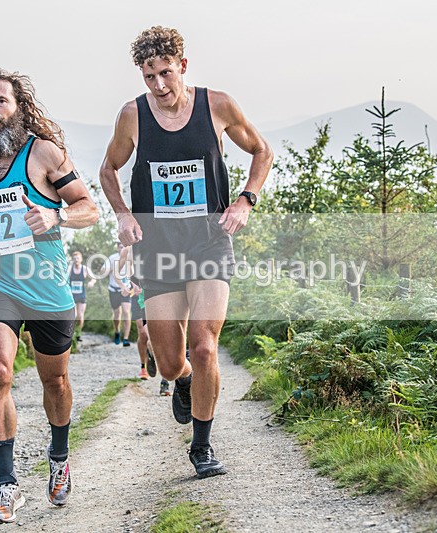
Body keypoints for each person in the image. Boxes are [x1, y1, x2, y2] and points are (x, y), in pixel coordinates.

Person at [99, 26, 273, 479]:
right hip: (157, 249)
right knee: (173, 359)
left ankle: (201, 445)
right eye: (149, 76)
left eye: (165, 73)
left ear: (183, 66)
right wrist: (122, 215)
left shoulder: (217, 105)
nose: (159, 85)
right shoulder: (133, 116)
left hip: (208, 242)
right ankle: (180, 382)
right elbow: (108, 169)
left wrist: (245, 201)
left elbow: (261, 151)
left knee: (204, 346)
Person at [0, 68, 98, 524]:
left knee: (55, 381)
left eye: (0, 102)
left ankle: (58, 457)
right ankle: (7, 486)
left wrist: (56, 218)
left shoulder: (45, 154)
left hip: (48, 288)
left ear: (18, 107)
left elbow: (88, 208)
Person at [120, 247, 171, 395]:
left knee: (165, 339)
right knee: (148, 338)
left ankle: (164, 381)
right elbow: (125, 271)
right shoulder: (129, 250)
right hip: (142, 298)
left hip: (164, 296)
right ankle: (148, 361)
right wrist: (130, 285)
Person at [106, 241, 132, 346]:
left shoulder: (130, 257)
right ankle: (117, 332)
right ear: (118, 248)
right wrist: (111, 269)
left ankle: (126, 338)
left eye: (124, 246)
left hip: (126, 289)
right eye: (120, 247)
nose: (122, 249)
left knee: (126, 311)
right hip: (114, 289)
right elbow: (104, 270)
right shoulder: (112, 258)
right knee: (117, 314)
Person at [68, 250, 95, 342]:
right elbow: (64, 278)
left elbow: (93, 278)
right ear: (73, 259)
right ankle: (71, 333)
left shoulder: (84, 269)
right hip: (72, 295)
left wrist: (91, 282)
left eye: (78, 258)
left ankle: (79, 333)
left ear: (81, 259)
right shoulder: (70, 268)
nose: (76, 260)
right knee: (74, 315)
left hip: (81, 295)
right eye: (74, 258)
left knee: (80, 315)